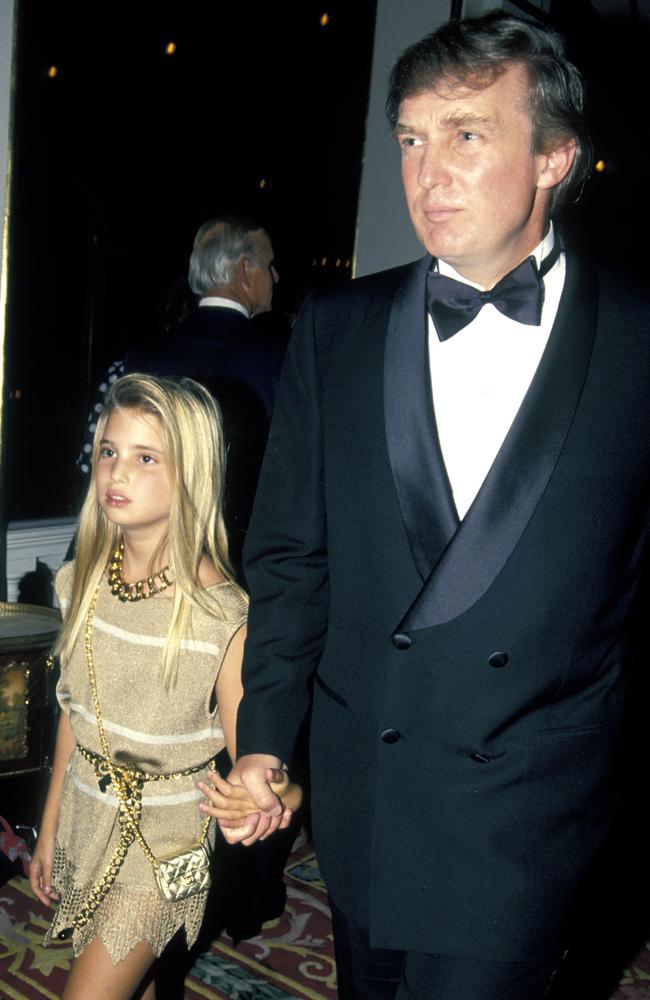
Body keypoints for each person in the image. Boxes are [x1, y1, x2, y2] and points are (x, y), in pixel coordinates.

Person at [200, 11, 650, 1000]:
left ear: (554, 158)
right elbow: (290, 557)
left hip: (524, 819)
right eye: (409, 138)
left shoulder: (637, 342)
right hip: (367, 799)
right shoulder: (336, 327)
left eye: (466, 134)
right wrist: (265, 739)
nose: (426, 170)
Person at [28, 373, 297, 999]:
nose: (116, 473)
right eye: (108, 452)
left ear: (190, 476)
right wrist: (48, 827)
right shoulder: (83, 583)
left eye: (146, 458)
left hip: (166, 850)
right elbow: (76, 713)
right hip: (86, 823)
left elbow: (256, 765)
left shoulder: (220, 616)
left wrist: (277, 794)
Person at [124, 215, 287, 581]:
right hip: (241, 567)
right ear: (245, 270)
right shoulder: (281, 360)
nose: (275, 277)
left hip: (154, 560)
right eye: (270, 264)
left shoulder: (141, 357)